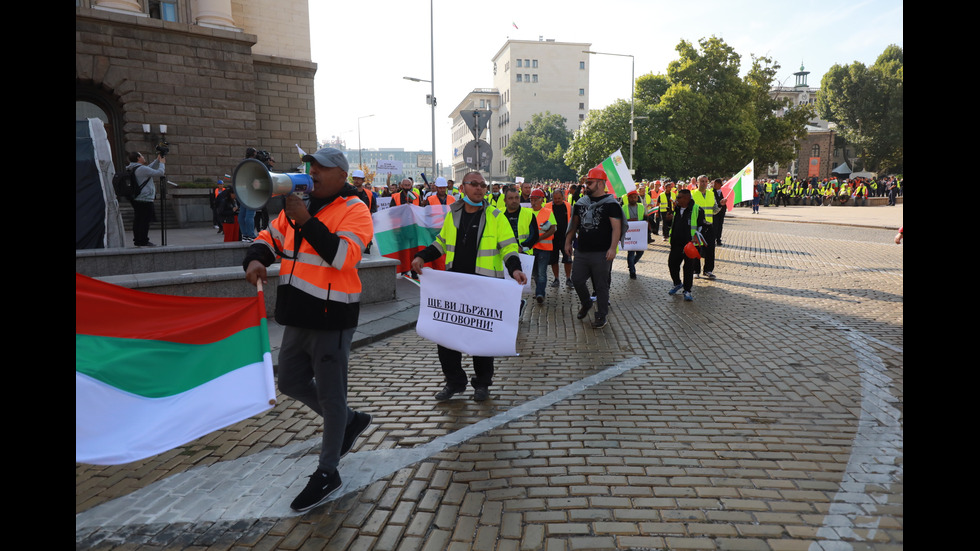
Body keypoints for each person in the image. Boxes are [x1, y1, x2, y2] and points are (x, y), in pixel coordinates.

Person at [242, 147, 374, 512]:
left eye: (322, 167)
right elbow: (271, 237)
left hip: (332, 316)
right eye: (311, 165)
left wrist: (306, 221)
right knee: (289, 382)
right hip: (298, 312)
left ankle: (328, 470)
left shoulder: (355, 209)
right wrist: (255, 258)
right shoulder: (297, 206)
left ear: (341, 175)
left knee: (332, 397)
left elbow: (343, 257)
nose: (312, 171)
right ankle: (349, 421)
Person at [411, 171, 527, 402]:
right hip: (455, 285)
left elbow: (508, 247)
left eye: (483, 185)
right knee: (445, 336)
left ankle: (482, 384)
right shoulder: (452, 214)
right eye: (474, 184)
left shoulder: (496, 215)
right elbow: (441, 243)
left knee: (482, 338)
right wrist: (422, 256)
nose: (480, 188)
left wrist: (514, 269)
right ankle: (454, 382)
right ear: (463, 187)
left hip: (484, 286)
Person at [564, 166, 623, 329]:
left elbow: (617, 228)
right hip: (582, 251)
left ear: (600, 183)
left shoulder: (612, 204)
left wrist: (612, 248)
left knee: (601, 285)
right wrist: (568, 242)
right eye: (586, 183)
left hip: (602, 252)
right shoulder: (581, 203)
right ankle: (586, 303)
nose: (586, 186)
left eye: (590, 183)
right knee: (576, 280)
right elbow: (574, 224)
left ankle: (601, 315)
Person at [667, 189, 707, 301]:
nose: (677, 199)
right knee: (672, 264)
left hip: (690, 245)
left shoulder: (697, 209)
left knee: (688, 268)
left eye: (679, 197)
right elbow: (673, 224)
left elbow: (702, 226)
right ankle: (677, 283)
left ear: (686, 198)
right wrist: (669, 220)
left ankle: (687, 291)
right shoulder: (676, 208)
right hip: (676, 243)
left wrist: (696, 238)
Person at [125, 151, 165, 247]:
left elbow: (149, 168)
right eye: (142, 155)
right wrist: (162, 163)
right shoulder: (141, 169)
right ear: (138, 158)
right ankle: (143, 240)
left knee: (138, 219)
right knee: (144, 220)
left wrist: (157, 160)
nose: (143, 157)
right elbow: (160, 173)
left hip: (136, 198)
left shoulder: (132, 168)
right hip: (145, 199)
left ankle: (138, 240)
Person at [529, 188, 557, 303]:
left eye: (536, 199)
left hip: (544, 248)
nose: (533, 202)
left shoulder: (547, 212)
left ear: (542, 200)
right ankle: (539, 291)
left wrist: (539, 238)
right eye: (532, 199)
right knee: (535, 273)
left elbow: (553, 229)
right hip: (531, 249)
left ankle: (540, 293)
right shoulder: (526, 213)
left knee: (541, 272)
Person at [691, 175, 717, 280]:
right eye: (702, 181)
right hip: (698, 226)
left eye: (706, 181)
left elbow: (715, 210)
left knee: (710, 249)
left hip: (709, 225)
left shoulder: (711, 194)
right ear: (697, 183)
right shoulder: (693, 194)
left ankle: (708, 270)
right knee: (696, 249)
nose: (704, 183)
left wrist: (721, 205)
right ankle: (695, 270)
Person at [548, 188, 573, 288]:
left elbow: (573, 221)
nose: (557, 200)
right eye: (555, 198)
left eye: (559, 198)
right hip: (552, 238)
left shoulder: (568, 206)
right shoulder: (548, 206)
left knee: (568, 259)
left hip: (565, 238)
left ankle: (568, 278)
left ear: (563, 197)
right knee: (554, 260)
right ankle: (556, 278)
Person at [622, 190, 645, 279]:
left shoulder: (641, 207)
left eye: (635, 197)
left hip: (639, 233)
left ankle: (631, 264)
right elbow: (621, 219)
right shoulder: (624, 207)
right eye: (631, 197)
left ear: (637, 198)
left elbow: (645, 216)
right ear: (628, 198)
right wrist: (629, 221)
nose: (633, 199)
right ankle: (632, 271)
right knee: (631, 252)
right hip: (629, 233)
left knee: (640, 252)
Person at [712, 178, 727, 246]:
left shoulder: (725, 192)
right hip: (714, 211)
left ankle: (718, 239)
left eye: (715, 184)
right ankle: (713, 238)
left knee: (720, 225)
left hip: (722, 211)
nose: (714, 185)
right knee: (714, 225)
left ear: (719, 184)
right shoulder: (711, 191)